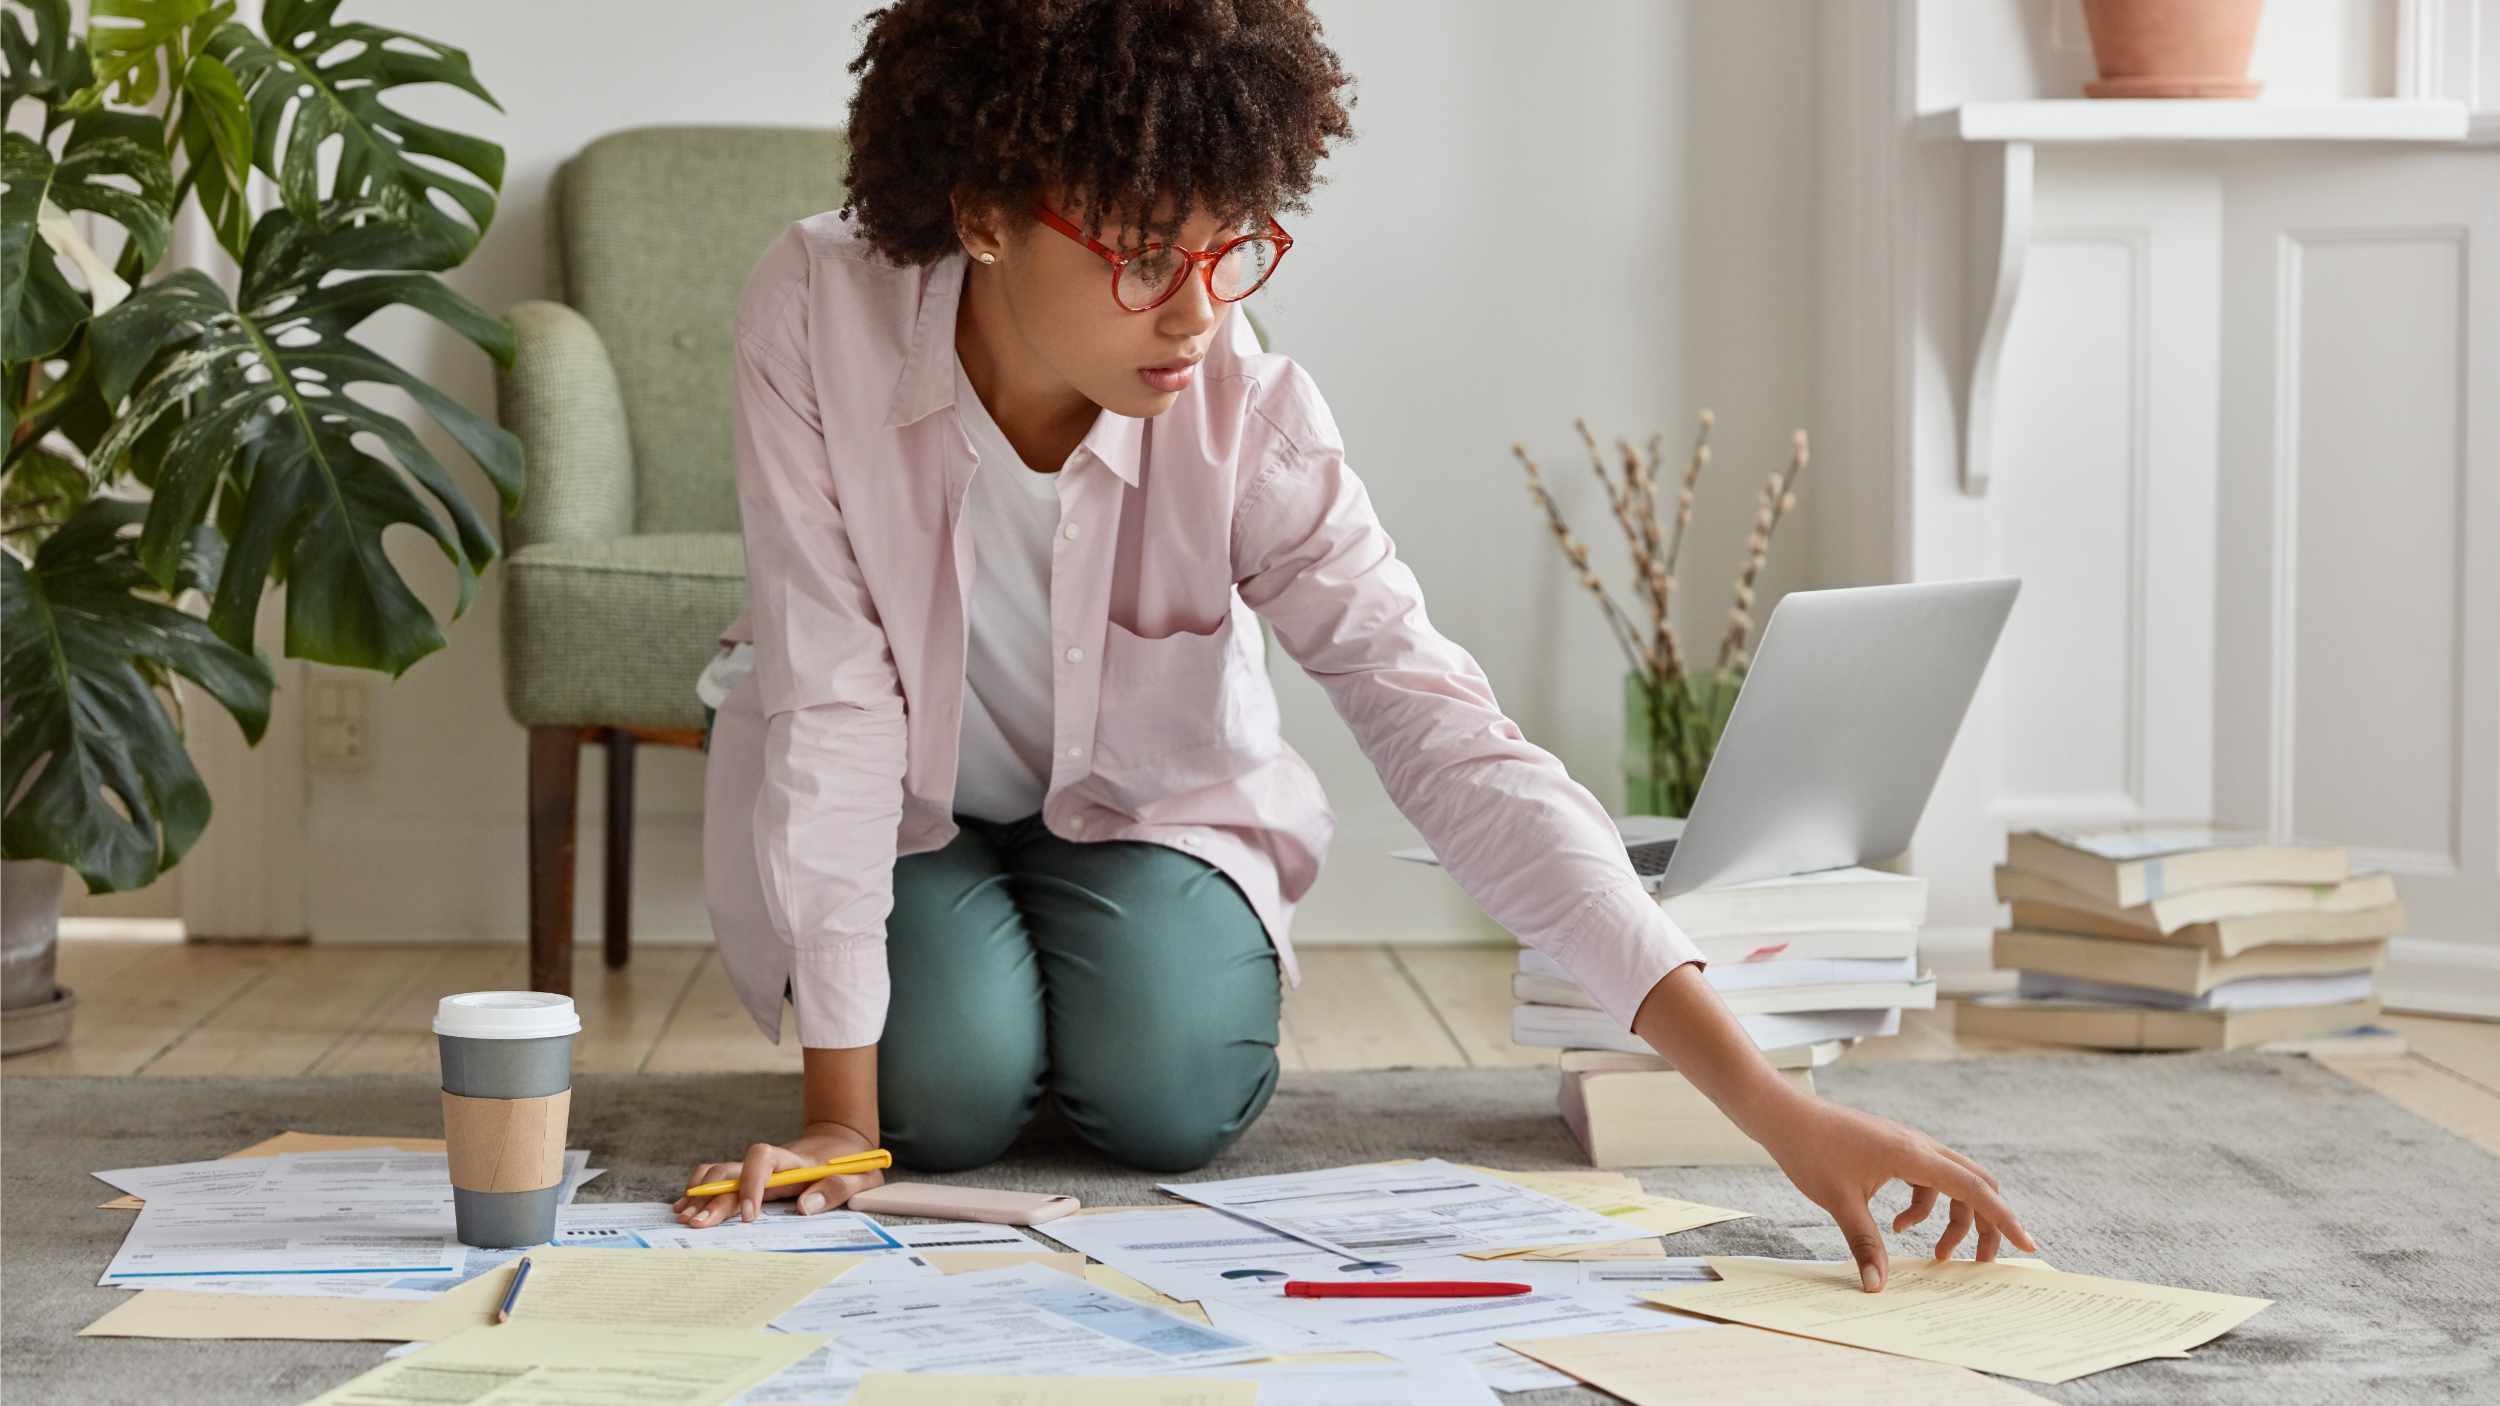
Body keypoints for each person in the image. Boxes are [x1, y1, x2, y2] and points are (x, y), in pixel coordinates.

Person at [676, 0, 2032, 1294]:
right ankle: (971, 1008)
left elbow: (1447, 735)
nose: (1197, 313)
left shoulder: (1244, 413)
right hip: (910, 819)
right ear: (980, 213)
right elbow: (838, 698)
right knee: (942, 1091)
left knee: (1169, 1082)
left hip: (1142, 817)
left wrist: (1770, 1105)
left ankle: (1055, 985)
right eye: (1146, 254)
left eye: (1232, 246)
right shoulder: (813, 313)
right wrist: (834, 1120)